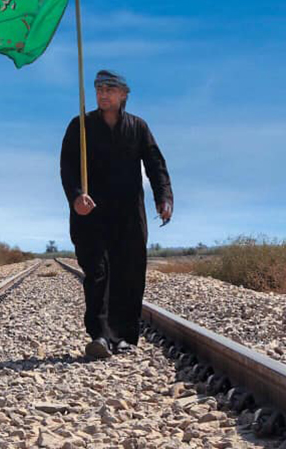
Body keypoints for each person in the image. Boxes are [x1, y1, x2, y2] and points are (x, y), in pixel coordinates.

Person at [60, 69, 173, 359]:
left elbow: (155, 165)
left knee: (129, 274)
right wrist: (76, 197)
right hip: (91, 214)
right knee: (97, 273)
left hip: (129, 215)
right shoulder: (80, 127)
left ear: (124, 94)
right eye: (99, 89)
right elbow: (68, 167)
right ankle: (100, 335)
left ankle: (123, 337)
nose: (103, 94)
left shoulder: (138, 127)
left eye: (110, 89)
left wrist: (164, 198)